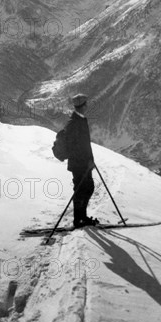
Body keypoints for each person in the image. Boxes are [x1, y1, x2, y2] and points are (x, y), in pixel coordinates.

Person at [65, 93, 97, 228]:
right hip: (79, 164)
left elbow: (84, 144)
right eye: (86, 104)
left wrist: (90, 160)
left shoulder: (79, 120)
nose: (87, 106)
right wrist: (87, 160)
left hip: (83, 163)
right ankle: (79, 219)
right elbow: (76, 146)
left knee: (87, 188)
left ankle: (81, 217)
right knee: (81, 190)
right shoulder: (75, 123)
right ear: (83, 106)